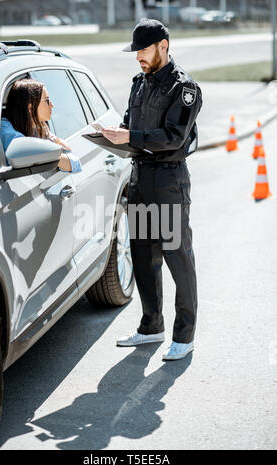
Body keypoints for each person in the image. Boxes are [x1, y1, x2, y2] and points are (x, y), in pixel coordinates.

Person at [102, 19, 202, 361]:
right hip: (140, 179)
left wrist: (131, 137)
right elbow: (131, 125)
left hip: (168, 181)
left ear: (163, 45)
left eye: (143, 50)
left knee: (178, 257)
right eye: (136, 52)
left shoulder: (184, 88)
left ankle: (184, 335)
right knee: (144, 257)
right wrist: (113, 134)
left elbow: (174, 137)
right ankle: (151, 327)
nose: (138, 58)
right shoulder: (139, 84)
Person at [0, 78, 82, 173]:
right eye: (47, 100)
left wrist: (52, 139)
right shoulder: (5, 129)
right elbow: (25, 151)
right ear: (30, 108)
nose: (52, 105)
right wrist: (47, 152)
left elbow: (75, 163)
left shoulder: (37, 126)